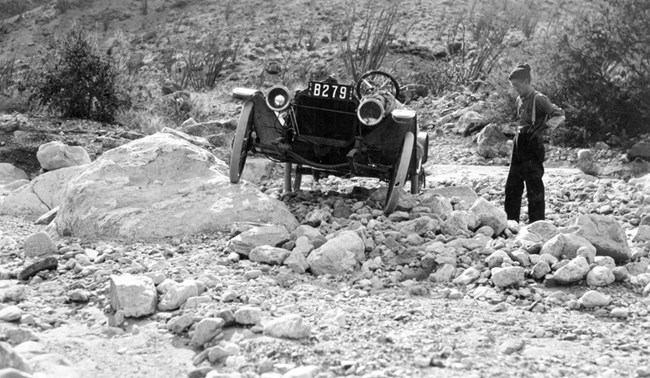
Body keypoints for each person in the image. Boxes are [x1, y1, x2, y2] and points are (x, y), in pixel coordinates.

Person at [505, 64, 565, 223]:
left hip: (532, 144)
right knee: (512, 185)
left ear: (526, 81)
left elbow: (559, 115)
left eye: (517, 85)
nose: (515, 89)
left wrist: (543, 128)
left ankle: (537, 224)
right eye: (513, 86)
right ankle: (511, 223)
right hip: (519, 143)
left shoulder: (539, 99)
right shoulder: (519, 99)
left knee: (534, 185)